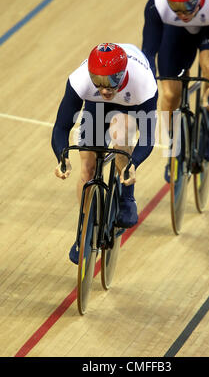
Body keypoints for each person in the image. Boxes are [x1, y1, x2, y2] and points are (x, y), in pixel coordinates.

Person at [52, 43, 158, 264]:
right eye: (98, 82)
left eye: (111, 82)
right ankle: (84, 231)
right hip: (97, 107)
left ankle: (127, 196)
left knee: (123, 132)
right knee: (88, 167)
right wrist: (62, 157)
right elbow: (61, 127)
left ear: (122, 74)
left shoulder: (143, 83)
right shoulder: (81, 80)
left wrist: (133, 163)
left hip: (130, 106)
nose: (105, 89)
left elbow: (147, 138)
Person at [141, 0, 209, 181]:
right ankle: (175, 149)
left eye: (186, 7)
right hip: (176, 34)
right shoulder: (157, 4)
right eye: (175, 8)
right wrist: (150, 80)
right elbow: (148, 51)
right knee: (168, 96)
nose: (182, 13)